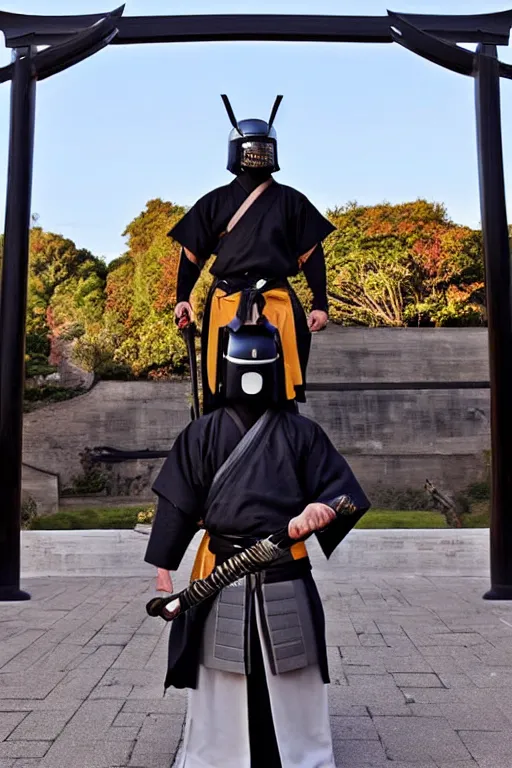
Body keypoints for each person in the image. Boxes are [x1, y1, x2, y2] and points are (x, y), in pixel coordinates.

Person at [144, 319, 370, 768]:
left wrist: (320, 510)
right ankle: (220, 755)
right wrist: (164, 561)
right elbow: (179, 499)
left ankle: (301, 754)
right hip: (222, 569)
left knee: (294, 665)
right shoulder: (203, 433)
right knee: (221, 667)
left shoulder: (301, 434)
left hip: (285, 564)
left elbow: (343, 495)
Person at [170, 94, 335, 413]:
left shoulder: (291, 202)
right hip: (226, 304)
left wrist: (320, 304)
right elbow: (191, 254)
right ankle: (222, 450)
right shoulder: (215, 202)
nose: (256, 155)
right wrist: (182, 297)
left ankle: (283, 448)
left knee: (282, 394)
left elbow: (313, 254)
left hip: (275, 300)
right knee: (221, 390)